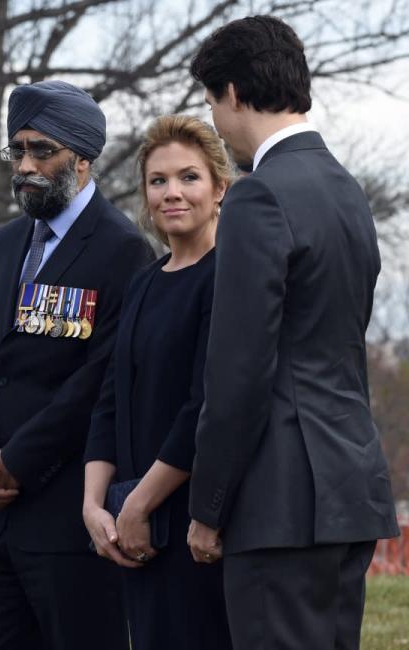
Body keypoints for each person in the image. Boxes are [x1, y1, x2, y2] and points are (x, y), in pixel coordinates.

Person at [185, 15, 400, 650]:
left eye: (210, 105)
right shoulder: (346, 191)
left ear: (231, 93)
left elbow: (239, 372)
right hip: (347, 487)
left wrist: (208, 505)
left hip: (278, 503)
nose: (217, 127)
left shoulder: (260, 196)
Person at [0, 80, 154, 649]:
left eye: (43, 151)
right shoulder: (5, 243)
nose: (26, 166)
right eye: (17, 151)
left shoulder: (122, 249)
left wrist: (16, 462)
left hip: (70, 520)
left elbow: (98, 383)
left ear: (82, 159)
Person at [82, 115, 233, 650]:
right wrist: (94, 507)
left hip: (201, 527)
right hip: (134, 528)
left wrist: (138, 507)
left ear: (220, 188)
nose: (172, 193)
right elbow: (109, 399)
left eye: (189, 177)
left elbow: (204, 406)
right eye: (158, 181)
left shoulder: (229, 276)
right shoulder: (144, 281)